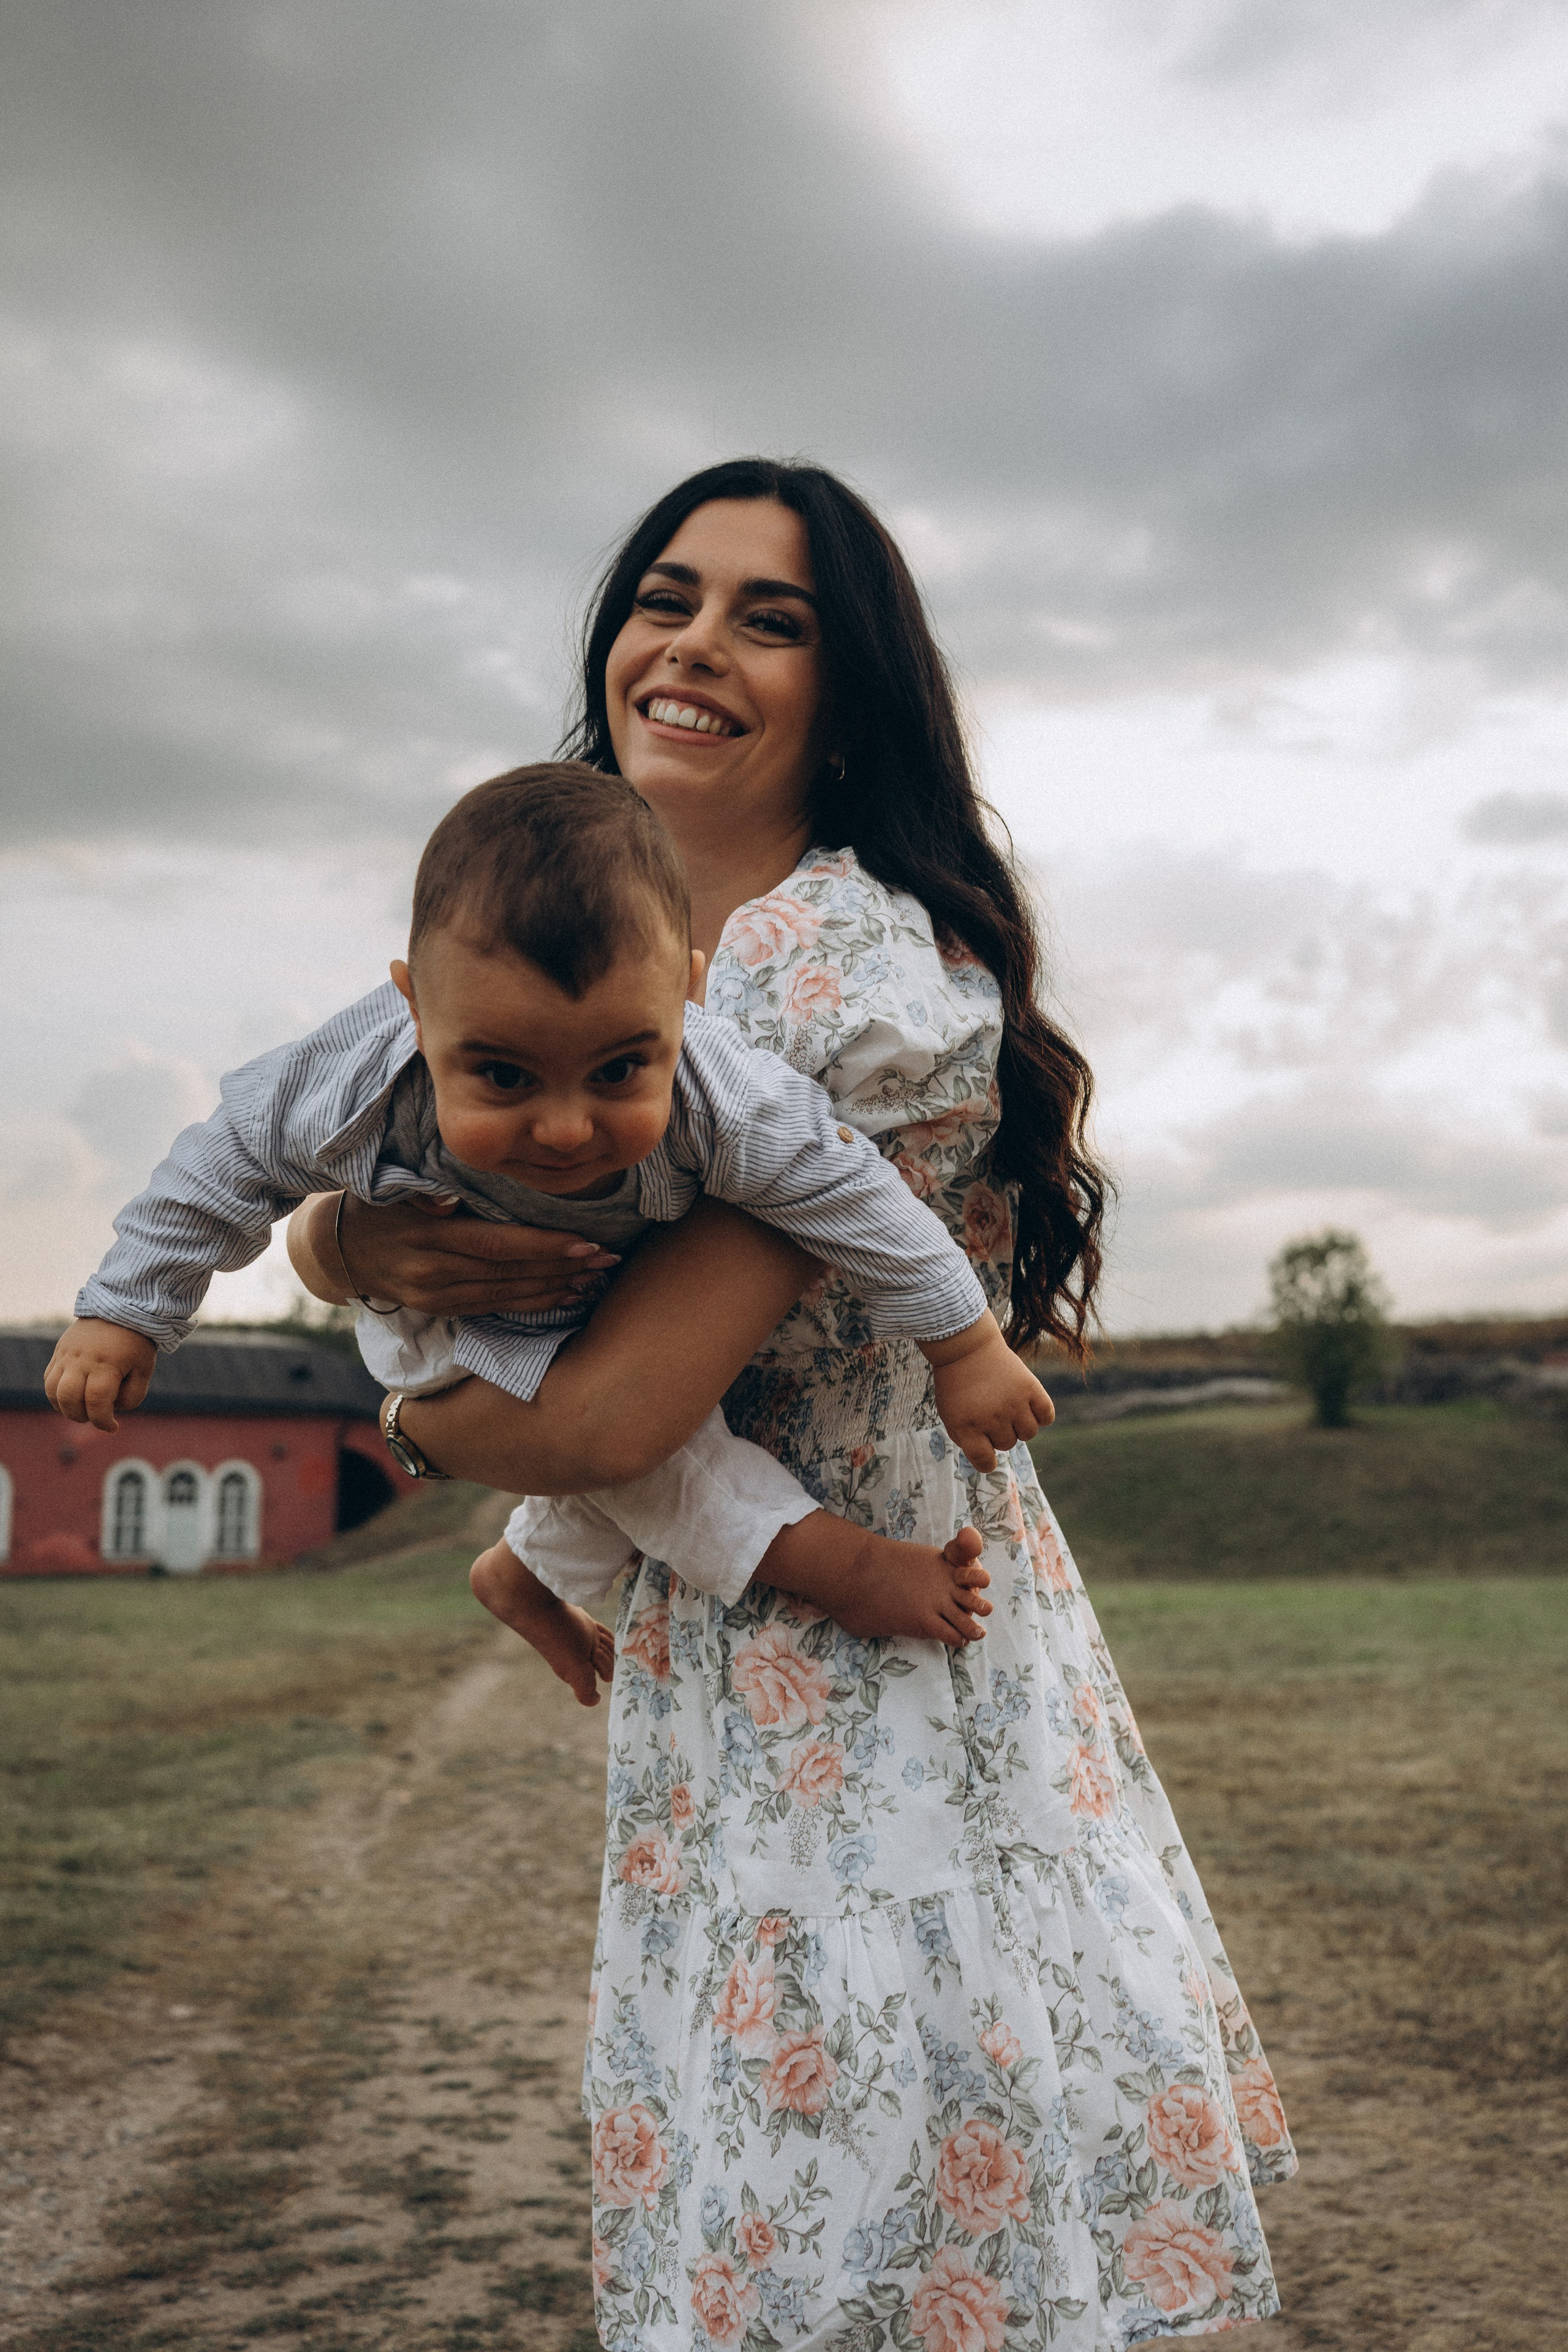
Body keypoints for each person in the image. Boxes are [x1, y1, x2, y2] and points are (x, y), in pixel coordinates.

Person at [288, 459, 1297, 2346]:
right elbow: (403, 1190)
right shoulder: (585, 940)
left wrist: (411, 1414)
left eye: (772, 618)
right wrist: (341, 1239)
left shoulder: (844, 970)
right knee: (797, 2213)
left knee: (878, 2229)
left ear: (851, 699)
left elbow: (602, 1423)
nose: (692, 647)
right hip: (727, 1645)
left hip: (871, 1650)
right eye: (665, 598)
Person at [46, 762, 1053, 1688]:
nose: (567, 1129)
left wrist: (963, 1344)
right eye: (503, 1075)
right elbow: (226, 1157)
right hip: (442, 1319)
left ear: (688, 996)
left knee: (642, 1430)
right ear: (415, 1009)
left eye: (618, 1070)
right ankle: (846, 1569)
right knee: (675, 1461)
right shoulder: (360, 1080)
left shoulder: (726, 1093)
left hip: (592, 1301)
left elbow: (853, 1192)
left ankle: (521, 1574)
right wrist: (128, 1313)